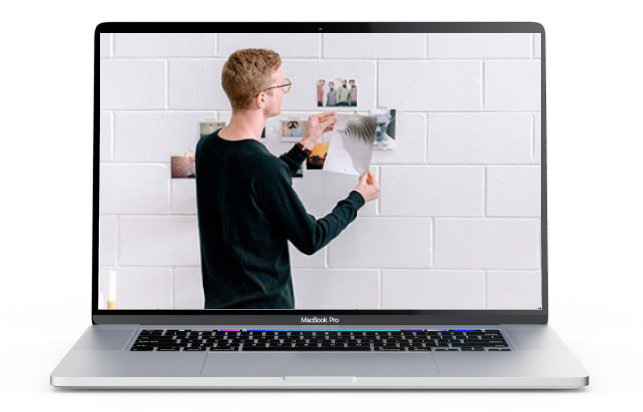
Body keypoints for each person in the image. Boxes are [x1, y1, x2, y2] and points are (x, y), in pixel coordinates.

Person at [194, 48, 380, 309]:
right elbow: (311, 238)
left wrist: (307, 142)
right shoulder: (262, 166)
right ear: (261, 98)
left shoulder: (207, 147)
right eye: (281, 85)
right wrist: (358, 198)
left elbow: (261, 184)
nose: (284, 91)